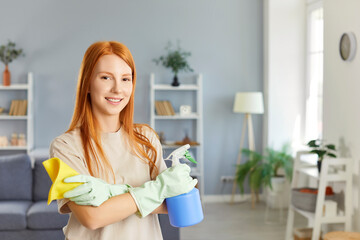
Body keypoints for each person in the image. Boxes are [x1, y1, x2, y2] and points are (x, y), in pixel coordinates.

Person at [49, 41, 197, 240]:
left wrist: (110, 196)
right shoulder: (65, 147)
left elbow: (171, 203)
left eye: (126, 79)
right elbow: (91, 217)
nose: (118, 89)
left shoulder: (146, 138)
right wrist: (157, 188)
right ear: (87, 84)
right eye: (105, 78)